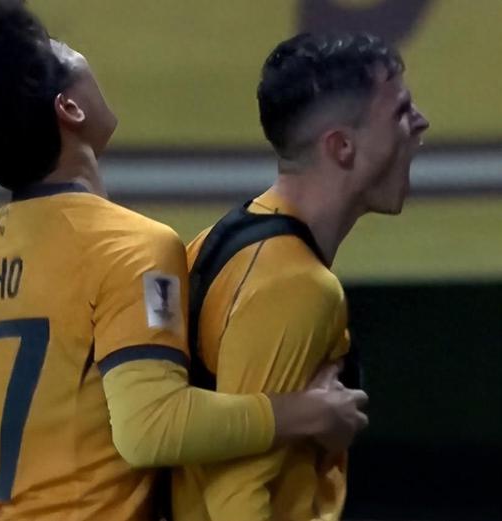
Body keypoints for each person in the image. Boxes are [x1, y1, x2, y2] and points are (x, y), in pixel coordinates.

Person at [0, 3, 369, 519]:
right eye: (67, 51)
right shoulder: (130, 246)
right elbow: (150, 427)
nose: (82, 56)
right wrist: (304, 413)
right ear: (69, 109)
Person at [173, 32, 429, 521]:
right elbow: (237, 498)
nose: (420, 122)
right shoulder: (295, 286)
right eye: (401, 111)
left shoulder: (219, 241)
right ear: (342, 146)